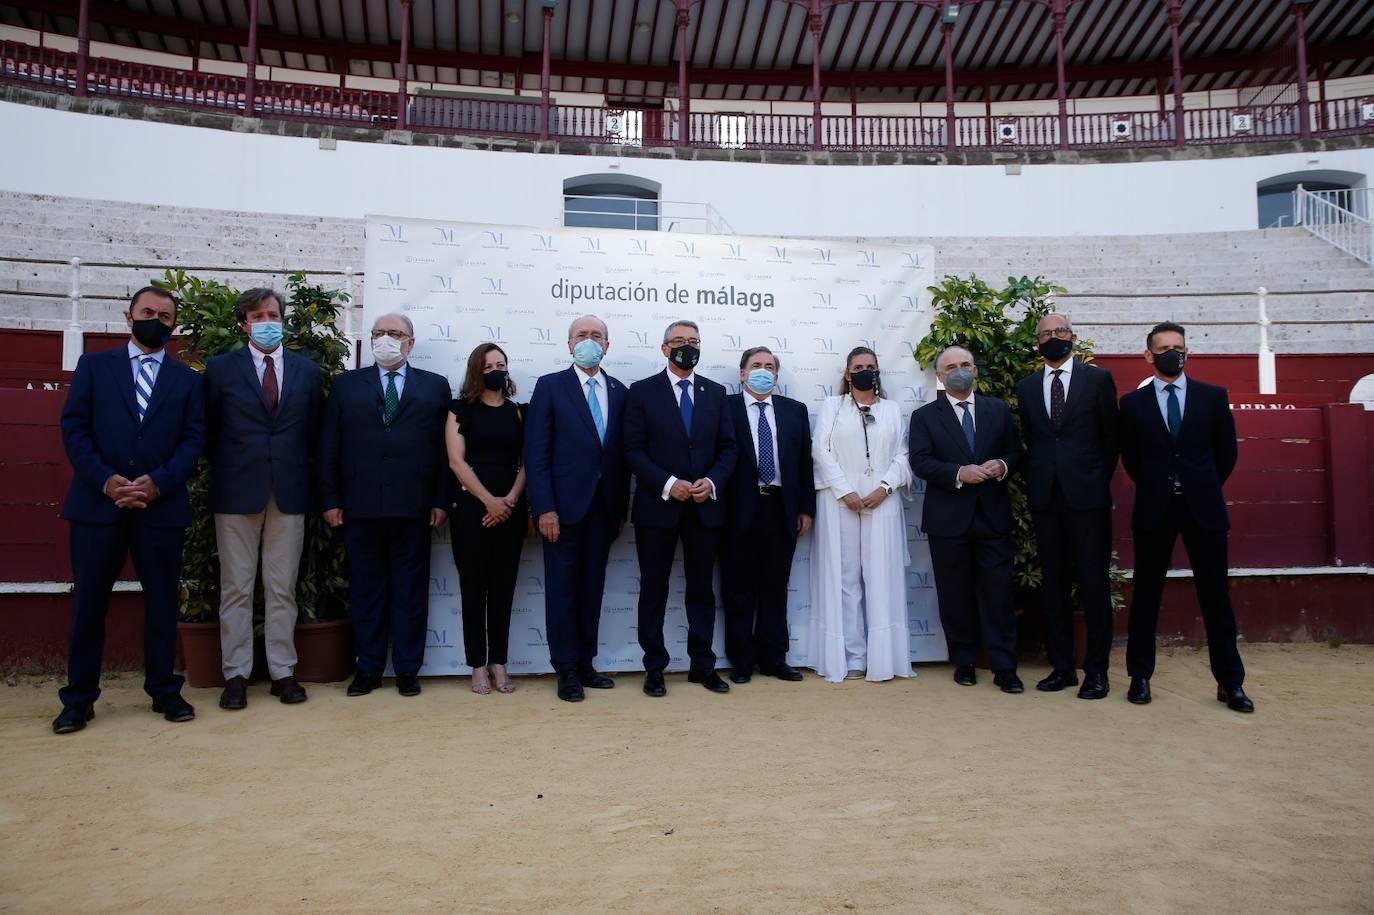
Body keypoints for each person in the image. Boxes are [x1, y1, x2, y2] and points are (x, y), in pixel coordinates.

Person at [53, 286, 205, 734]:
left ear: (174, 325)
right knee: (89, 606)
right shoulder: (94, 367)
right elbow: (74, 429)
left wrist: (158, 483)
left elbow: (193, 441)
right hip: (98, 506)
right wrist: (106, 481)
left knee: (160, 604)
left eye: (164, 315)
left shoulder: (188, 380)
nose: (155, 320)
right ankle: (78, 699)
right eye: (147, 312)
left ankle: (164, 690)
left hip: (161, 508)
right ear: (128, 316)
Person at [1120, 321, 1253, 712]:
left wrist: (1199, 485)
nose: (1171, 353)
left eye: (1178, 346)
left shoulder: (1213, 397)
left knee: (1216, 598)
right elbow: (1131, 459)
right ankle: (1140, 678)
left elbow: (1225, 454)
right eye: (1163, 348)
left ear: (1187, 352)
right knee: (1146, 595)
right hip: (1155, 507)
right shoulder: (1132, 404)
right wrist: (1161, 484)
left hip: (1203, 508)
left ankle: (1230, 683)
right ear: (1148, 356)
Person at [204, 287, 324, 710]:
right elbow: (210, 431)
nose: (267, 321)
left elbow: (314, 434)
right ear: (244, 323)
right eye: (258, 315)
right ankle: (235, 675)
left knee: (282, 587)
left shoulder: (308, 372)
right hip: (236, 492)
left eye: (272, 314)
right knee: (236, 588)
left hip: (289, 492)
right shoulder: (220, 369)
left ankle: (282, 673)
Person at [319, 313, 450, 698]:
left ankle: (408, 670)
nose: (386, 339)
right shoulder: (346, 385)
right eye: (379, 333)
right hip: (360, 507)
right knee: (366, 592)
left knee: (411, 592)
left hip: (415, 507)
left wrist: (441, 499)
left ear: (411, 342)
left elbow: (444, 451)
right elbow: (329, 446)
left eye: (395, 334)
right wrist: (330, 499)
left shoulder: (435, 386)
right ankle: (369, 668)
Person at [623, 320, 737, 697]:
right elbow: (632, 450)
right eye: (678, 341)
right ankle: (654, 667)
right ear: (664, 348)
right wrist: (671, 485)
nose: (686, 347)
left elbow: (728, 448)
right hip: (659, 507)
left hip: (705, 507)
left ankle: (702, 665)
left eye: (693, 341)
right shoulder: (641, 392)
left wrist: (712, 482)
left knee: (702, 589)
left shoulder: (716, 392)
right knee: (654, 589)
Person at [524, 315, 630, 703]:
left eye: (596, 336)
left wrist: (620, 506)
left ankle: (587, 663)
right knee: (563, 592)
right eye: (582, 335)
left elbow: (621, 455)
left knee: (592, 589)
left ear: (607, 345)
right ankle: (565, 668)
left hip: (605, 510)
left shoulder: (620, 390)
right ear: (569, 345)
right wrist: (545, 508)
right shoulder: (550, 387)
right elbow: (537, 454)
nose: (589, 341)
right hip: (562, 511)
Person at [908, 346, 1025, 693]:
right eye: (951, 367)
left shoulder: (997, 409)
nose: (959, 371)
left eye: (965, 365)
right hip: (948, 520)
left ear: (975, 370)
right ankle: (964, 661)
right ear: (940, 376)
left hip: (992, 518)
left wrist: (1002, 466)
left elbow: (1016, 452)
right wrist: (959, 472)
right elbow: (920, 462)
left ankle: (1005, 667)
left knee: (998, 594)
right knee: (954, 594)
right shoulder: (925, 417)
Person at [1015, 314, 1119, 700]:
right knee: (1054, 586)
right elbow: (1032, 440)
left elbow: (1111, 441)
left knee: (1093, 585)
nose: (1053, 338)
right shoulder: (1027, 388)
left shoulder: (1098, 380)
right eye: (1045, 334)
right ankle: (1062, 668)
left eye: (1059, 332)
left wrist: (1090, 480)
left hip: (1088, 499)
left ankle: (1096, 672)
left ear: (1072, 337)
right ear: (1037, 343)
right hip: (1046, 499)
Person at [809, 346, 915, 684]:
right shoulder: (832, 407)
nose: (865, 371)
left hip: (881, 501)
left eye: (871, 366)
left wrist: (883, 488)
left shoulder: (893, 409)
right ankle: (853, 657)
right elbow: (820, 450)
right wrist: (846, 491)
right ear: (846, 373)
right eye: (858, 366)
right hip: (839, 501)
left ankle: (884, 659)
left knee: (881, 577)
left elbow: (903, 455)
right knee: (846, 580)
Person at [721, 346, 815, 684]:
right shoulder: (724, 407)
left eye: (769, 366)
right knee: (739, 589)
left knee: (776, 588)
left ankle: (775, 658)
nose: (764, 370)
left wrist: (805, 508)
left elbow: (804, 463)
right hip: (738, 510)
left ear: (776, 374)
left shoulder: (795, 411)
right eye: (756, 365)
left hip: (781, 508)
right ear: (742, 374)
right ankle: (742, 660)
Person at [446, 343, 528, 696]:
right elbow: (456, 462)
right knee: (473, 588)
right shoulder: (459, 410)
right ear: (476, 370)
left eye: (502, 363)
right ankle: (477, 665)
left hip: (510, 511)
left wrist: (507, 501)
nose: (496, 369)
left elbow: (526, 462)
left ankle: (500, 663)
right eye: (489, 364)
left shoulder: (519, 413)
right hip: (470, 511)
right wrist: (488, 501)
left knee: (503, 590)